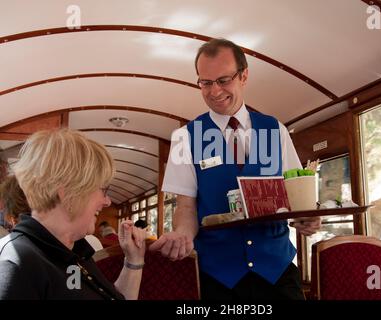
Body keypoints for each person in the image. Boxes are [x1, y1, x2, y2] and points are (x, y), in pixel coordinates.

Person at [149, 38, 321, 300]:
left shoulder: (275, 130)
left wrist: (308, 217)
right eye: (205, 82)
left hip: (278, 272)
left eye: (223, 80)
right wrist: (182, 235)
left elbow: (295, 196)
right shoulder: (185, 137)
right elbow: (185, 207)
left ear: (244, 76)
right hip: (218, 278)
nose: (214, 91)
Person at [0, 129, 147, 299]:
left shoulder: (70, 251)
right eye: (103, 189)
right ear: (68, 192)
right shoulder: (16, 267)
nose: (107, 201)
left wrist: (133, 260)